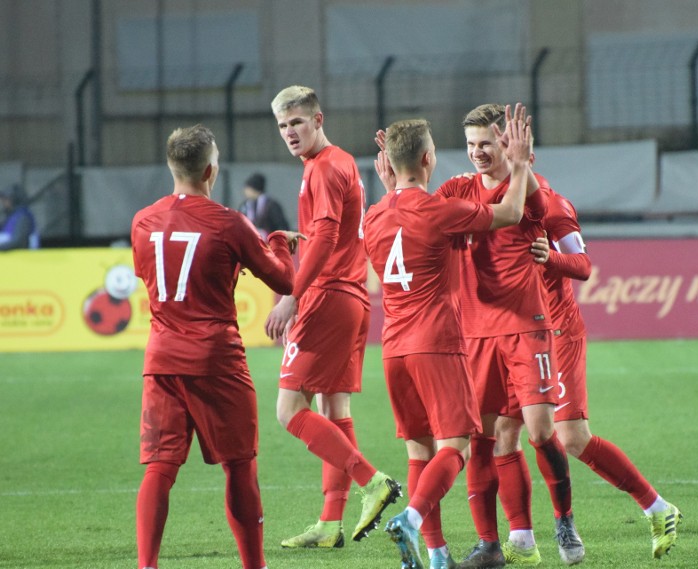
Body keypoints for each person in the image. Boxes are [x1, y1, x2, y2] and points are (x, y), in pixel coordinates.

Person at [365, 106, 532, 569]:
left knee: (418, 451)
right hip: (436, 343)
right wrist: (518, 163)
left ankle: (437, 556)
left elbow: (402, 225)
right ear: (426, 159)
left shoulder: (373, 216)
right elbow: (512, 212)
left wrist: (392, 191)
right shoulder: (440, 211)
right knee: (455, 448)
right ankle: (412, 518)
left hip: (393, 348)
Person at [130, 124, 296, 569]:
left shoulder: (142, 221)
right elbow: (284, 279)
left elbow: (147, 278)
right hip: (216, 359)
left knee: (160, 469)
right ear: (210, 170)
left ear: (172, 167)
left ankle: (147, 565)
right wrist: (279, 241)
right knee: (239, 465)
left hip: (161, 357)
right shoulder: (228, 223)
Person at [434, 104, 584, 567]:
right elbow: (423, 211)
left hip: (525, 327)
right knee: (486, 439)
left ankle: (563, 518)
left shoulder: (532, 193)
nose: (478, 153)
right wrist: (397, 188)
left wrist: (522, 165)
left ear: (507, 142)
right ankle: (492, 542)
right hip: (475, 333)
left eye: (486, 143)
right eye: (471, 145)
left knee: (540, 433)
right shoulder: (459, 188)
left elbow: (535, 210)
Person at [266, 85, 401, 548]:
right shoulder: (339, 163)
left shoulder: (323, 168)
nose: (290, 132)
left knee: (289, 410)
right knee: (333, 408)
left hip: (327, 296)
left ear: (318, 120)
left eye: (297, 123)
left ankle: (372, 481)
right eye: (283, 125)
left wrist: (291, 294)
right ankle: (329, 523)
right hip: (352, 296)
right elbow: (328, 234)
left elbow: (324, 239)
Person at [529, 190, 682, 559]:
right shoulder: (485, 200)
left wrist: (550, 257)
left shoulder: (553, 205)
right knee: (506, 431)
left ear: (525, 154)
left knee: (572, 437)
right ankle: (520, 538)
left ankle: (656, 508)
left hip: (556, 332)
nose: (482, 153)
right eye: (474, 146)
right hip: (513, 333)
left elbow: (582, 265)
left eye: (494, 145)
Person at [238, 172, 291, 239]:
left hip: (269, 244)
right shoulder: (245, 205)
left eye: (247, 188)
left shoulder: (271, 205)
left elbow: (282, 225)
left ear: (253, 188)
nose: (245, 191)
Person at [0, 184, 38, 251]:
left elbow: (18, 242)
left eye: (6, 199)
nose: (3, 203)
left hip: (23, 259)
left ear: (14, 199)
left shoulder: (23, 217)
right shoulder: (12, 217)